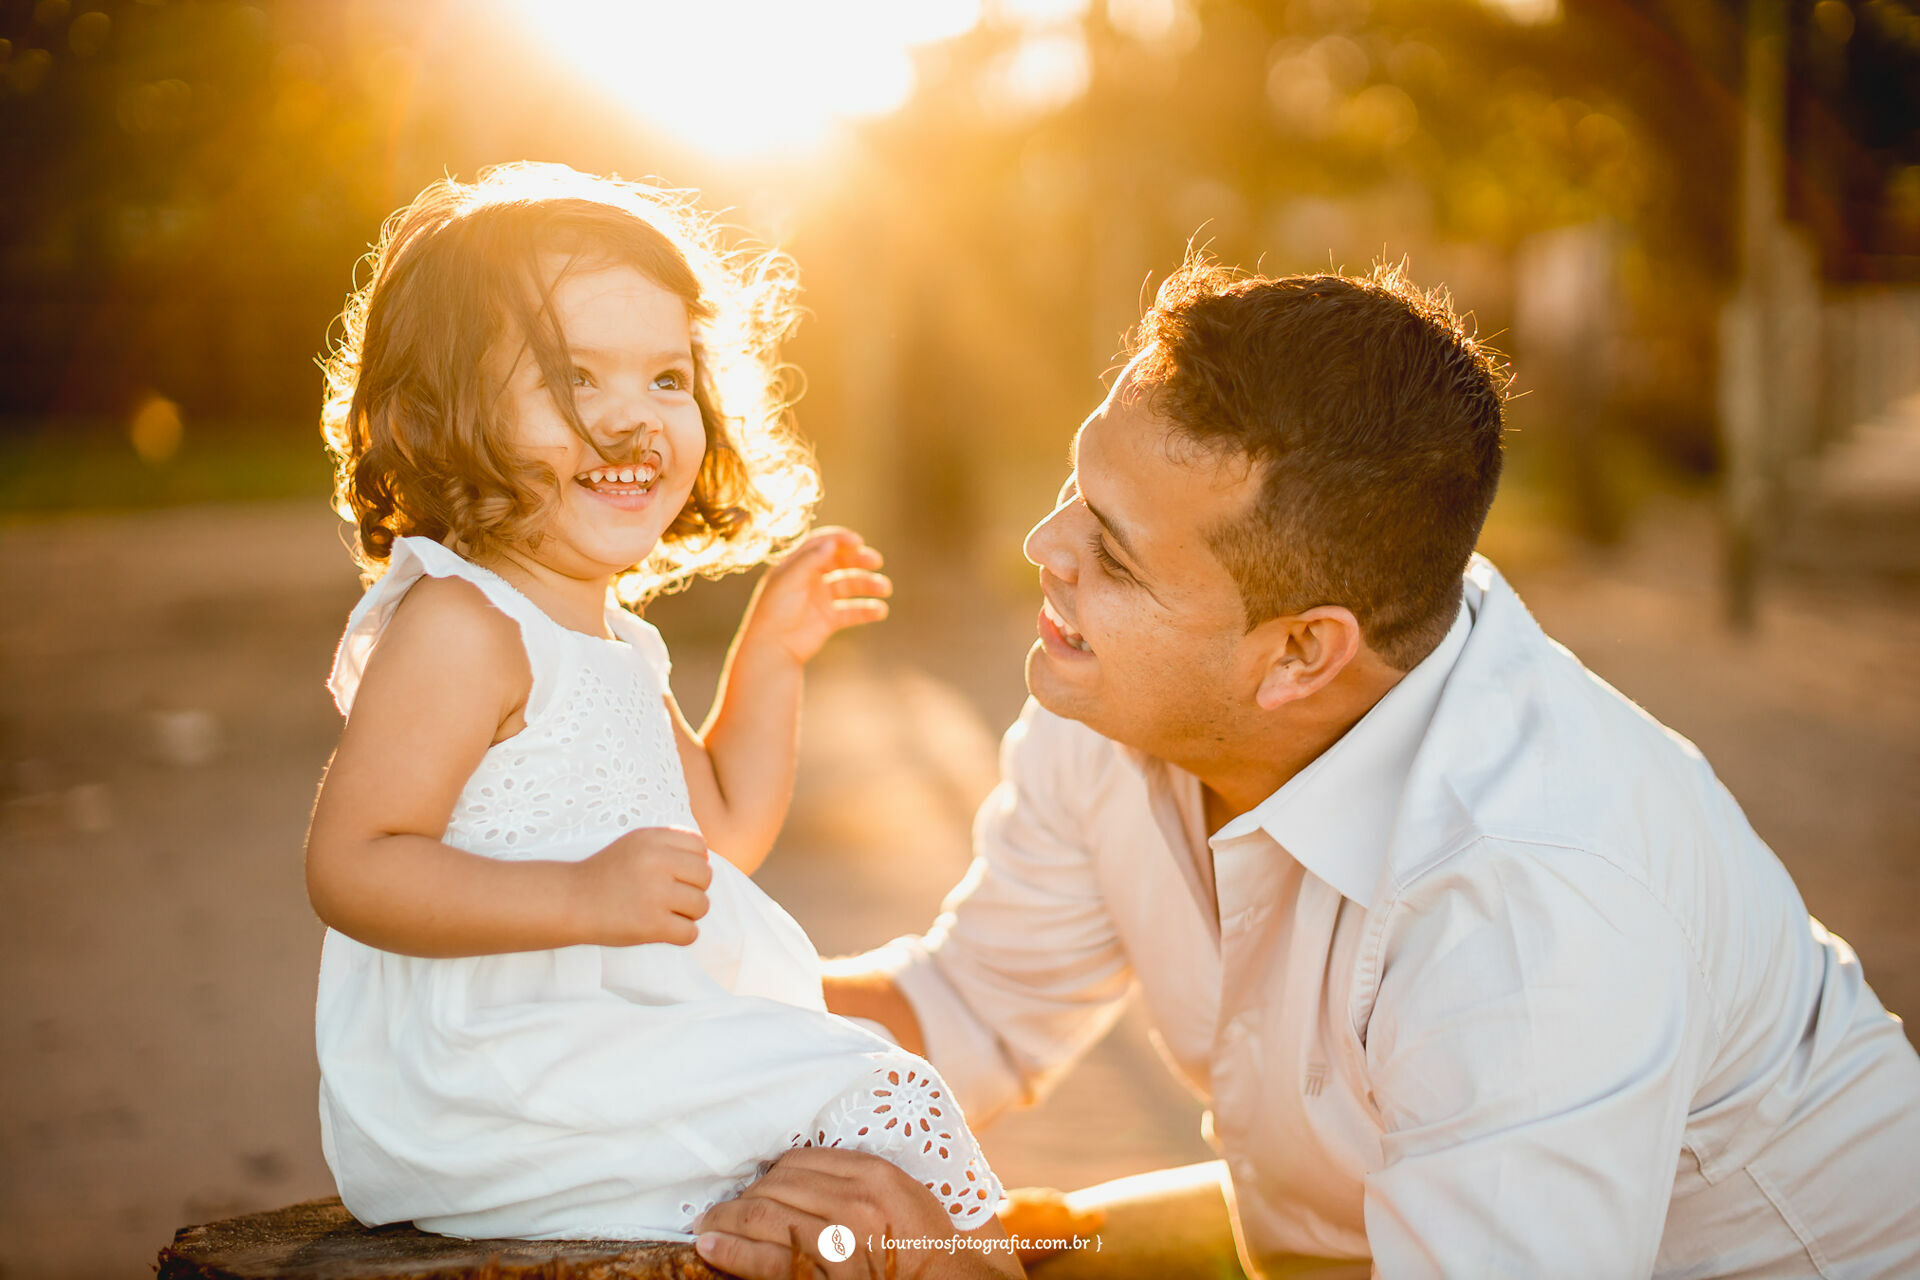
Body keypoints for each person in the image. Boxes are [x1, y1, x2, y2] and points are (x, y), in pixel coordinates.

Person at [694, 261, 1920, 1279]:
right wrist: (621, 998)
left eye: (1111, 555)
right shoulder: (1112, 699)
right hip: (1347, 1232)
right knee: (1020, 1238)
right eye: (1076, 487)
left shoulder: (1531, 898)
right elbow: (968, 1011)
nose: (1042, 546)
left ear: (1297, 653)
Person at [301, 162, 1012, 1260]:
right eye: (574, 375)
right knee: (873, 1089)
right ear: (437, 411)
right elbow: (353, 865)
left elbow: (719, 834)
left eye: (667, 379)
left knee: (856, 1131)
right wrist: (581, 893)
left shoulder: (614, 639)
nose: (631, 415)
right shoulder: (460, 621)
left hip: (599, 1043)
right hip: (492, 1075)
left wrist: (769, 655)